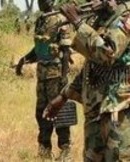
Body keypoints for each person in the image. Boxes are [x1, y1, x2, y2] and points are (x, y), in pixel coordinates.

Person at [43, 1, 130, 161]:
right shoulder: (100, 20)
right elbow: (91, 66)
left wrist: (78, 23)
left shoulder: (126, 17)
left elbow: (107, 54)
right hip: (96, 109)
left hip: (119, 111)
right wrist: (64, 96)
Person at [15, 0, 73, 161]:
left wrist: (63, 78)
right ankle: (44, 150)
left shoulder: (61, 19)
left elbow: (66, 50)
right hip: (42, 76)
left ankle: (65, 150)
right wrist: (23, 60)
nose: (41, 3)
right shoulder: (41, 20)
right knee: (41, 113)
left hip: (56, 76)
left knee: (60, 113)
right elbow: (39, 48)